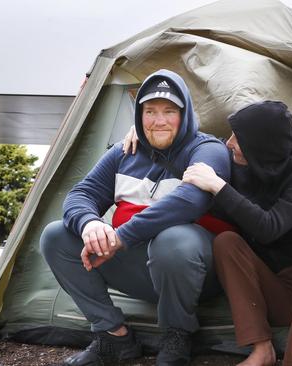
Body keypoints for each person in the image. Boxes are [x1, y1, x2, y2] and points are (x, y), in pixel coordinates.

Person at [124, 100, 292, 366]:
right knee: (226, 242)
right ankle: (261, 349)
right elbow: (192, 146)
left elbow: (269, 228)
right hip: (281, 293)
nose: (230, 142)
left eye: (239, 138)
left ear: (260, 146)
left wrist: (219, 186)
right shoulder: (232, 160)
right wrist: (149, 135)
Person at [40, 69, 231, 366]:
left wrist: (120, 236)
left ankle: (177, 335)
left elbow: (190, 201)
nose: (159, 120)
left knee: (175, 239)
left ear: (186, 114)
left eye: (170, 111)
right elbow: (81, 194)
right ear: (139, 116)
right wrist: (92, 223)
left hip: (197, 273)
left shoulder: (207, 149)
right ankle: (114, 337)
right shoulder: (124, 152)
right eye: (150, 111)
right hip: (139, 267)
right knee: (56, 236)